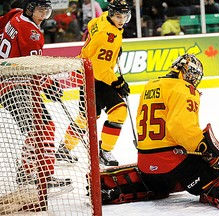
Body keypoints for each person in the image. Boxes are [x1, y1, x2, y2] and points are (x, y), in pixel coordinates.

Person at [134, 53, 219, 209]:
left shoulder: (150, 85)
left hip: (146, 167)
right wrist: (202, 147)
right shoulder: (184, 89)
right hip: (172, 165)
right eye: (192, 74)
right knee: (215, 173)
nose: (193, 79)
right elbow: (181, 128)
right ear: (183, 71)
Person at [0, 0, 72, 188]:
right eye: (40, 11)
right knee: (42, 129)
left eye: (47, 12)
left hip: (8, 81)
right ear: (30, 10)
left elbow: (6, 17)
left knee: (41, 128)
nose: (44, 16)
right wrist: (50, 85)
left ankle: (26, 172)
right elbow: (33, 69)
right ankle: (42, 176)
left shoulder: (15, 15)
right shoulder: (32, 34)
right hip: (16, 84)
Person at [55, 0, 131, 166]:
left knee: (86, 118)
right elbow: (99, 68)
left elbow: (91, 24)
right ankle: (105, 152)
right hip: (96, 77)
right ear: (111, 14)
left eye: (125, 15)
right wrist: (117, 82)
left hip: (86, 71)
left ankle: (64, 149)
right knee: (119, 111)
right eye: (118, 16)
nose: (122, 19)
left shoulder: (102, 18)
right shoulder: (108, 36)